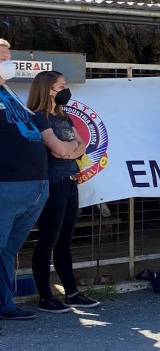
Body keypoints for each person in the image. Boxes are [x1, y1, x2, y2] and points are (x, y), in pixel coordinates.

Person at [27, 71, 100, 313]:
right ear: (48, 89)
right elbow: (57, 149)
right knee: (47, 240)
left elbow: (81, 146)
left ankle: (72, 294)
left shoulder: (64, 117)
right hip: (53, 185)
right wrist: (69, 149)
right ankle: (45, 297)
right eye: (62, 86)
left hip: (70, 184)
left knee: (65, 242)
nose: (66, 90)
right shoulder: (39, 118)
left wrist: (68, 150)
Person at [0, 39, 49, 320]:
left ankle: (6, 305)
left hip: (34, 187)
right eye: (2, 58)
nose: (8, 63)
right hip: (6, 184)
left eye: (8, 57)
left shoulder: (9, 91)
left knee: (7, 250)